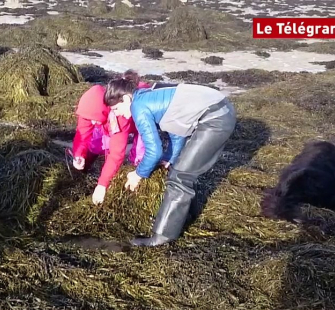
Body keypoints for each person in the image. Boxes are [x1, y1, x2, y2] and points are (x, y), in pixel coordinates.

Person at [103, 73, 237, 247]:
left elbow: (154, 151)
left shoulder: (138, 106)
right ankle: (190, 215)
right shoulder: (147, 94)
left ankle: (162, 236)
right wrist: (170, 157)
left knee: (179, 177)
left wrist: (138, 174)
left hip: (216, 119)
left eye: (116, 109)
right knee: (184, 168)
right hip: (221, 108)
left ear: (126, 99)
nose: (118, 114)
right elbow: (177, 126)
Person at [70, 70, 151, 204]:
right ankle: (86, 166)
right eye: (89, 119)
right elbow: (82, 134)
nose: (93, 122)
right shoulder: (88, 109)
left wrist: (102, 185)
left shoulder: (119, 117)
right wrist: (79, 155)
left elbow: (117, 153)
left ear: (105, 110)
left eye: (95, 119)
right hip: (108, 118)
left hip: (138, 119)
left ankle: (135, 178)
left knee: (138, 154)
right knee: (96, 144)